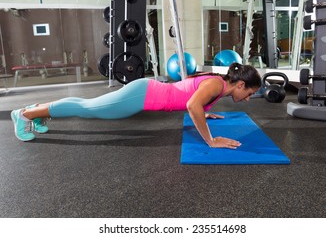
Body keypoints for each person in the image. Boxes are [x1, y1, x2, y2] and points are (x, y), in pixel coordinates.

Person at [11, 62, 261, 148]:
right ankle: (24, 114)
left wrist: (205, 113)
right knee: (86, 108)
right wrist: (211, 140)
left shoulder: (218, 85)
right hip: (141, 96)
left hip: (144, 92)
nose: (249, 98)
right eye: (249, 92)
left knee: (85, 104)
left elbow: (191, 96)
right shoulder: (217, 85)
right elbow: (192, 105)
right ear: (240, 85)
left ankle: (37, 110)